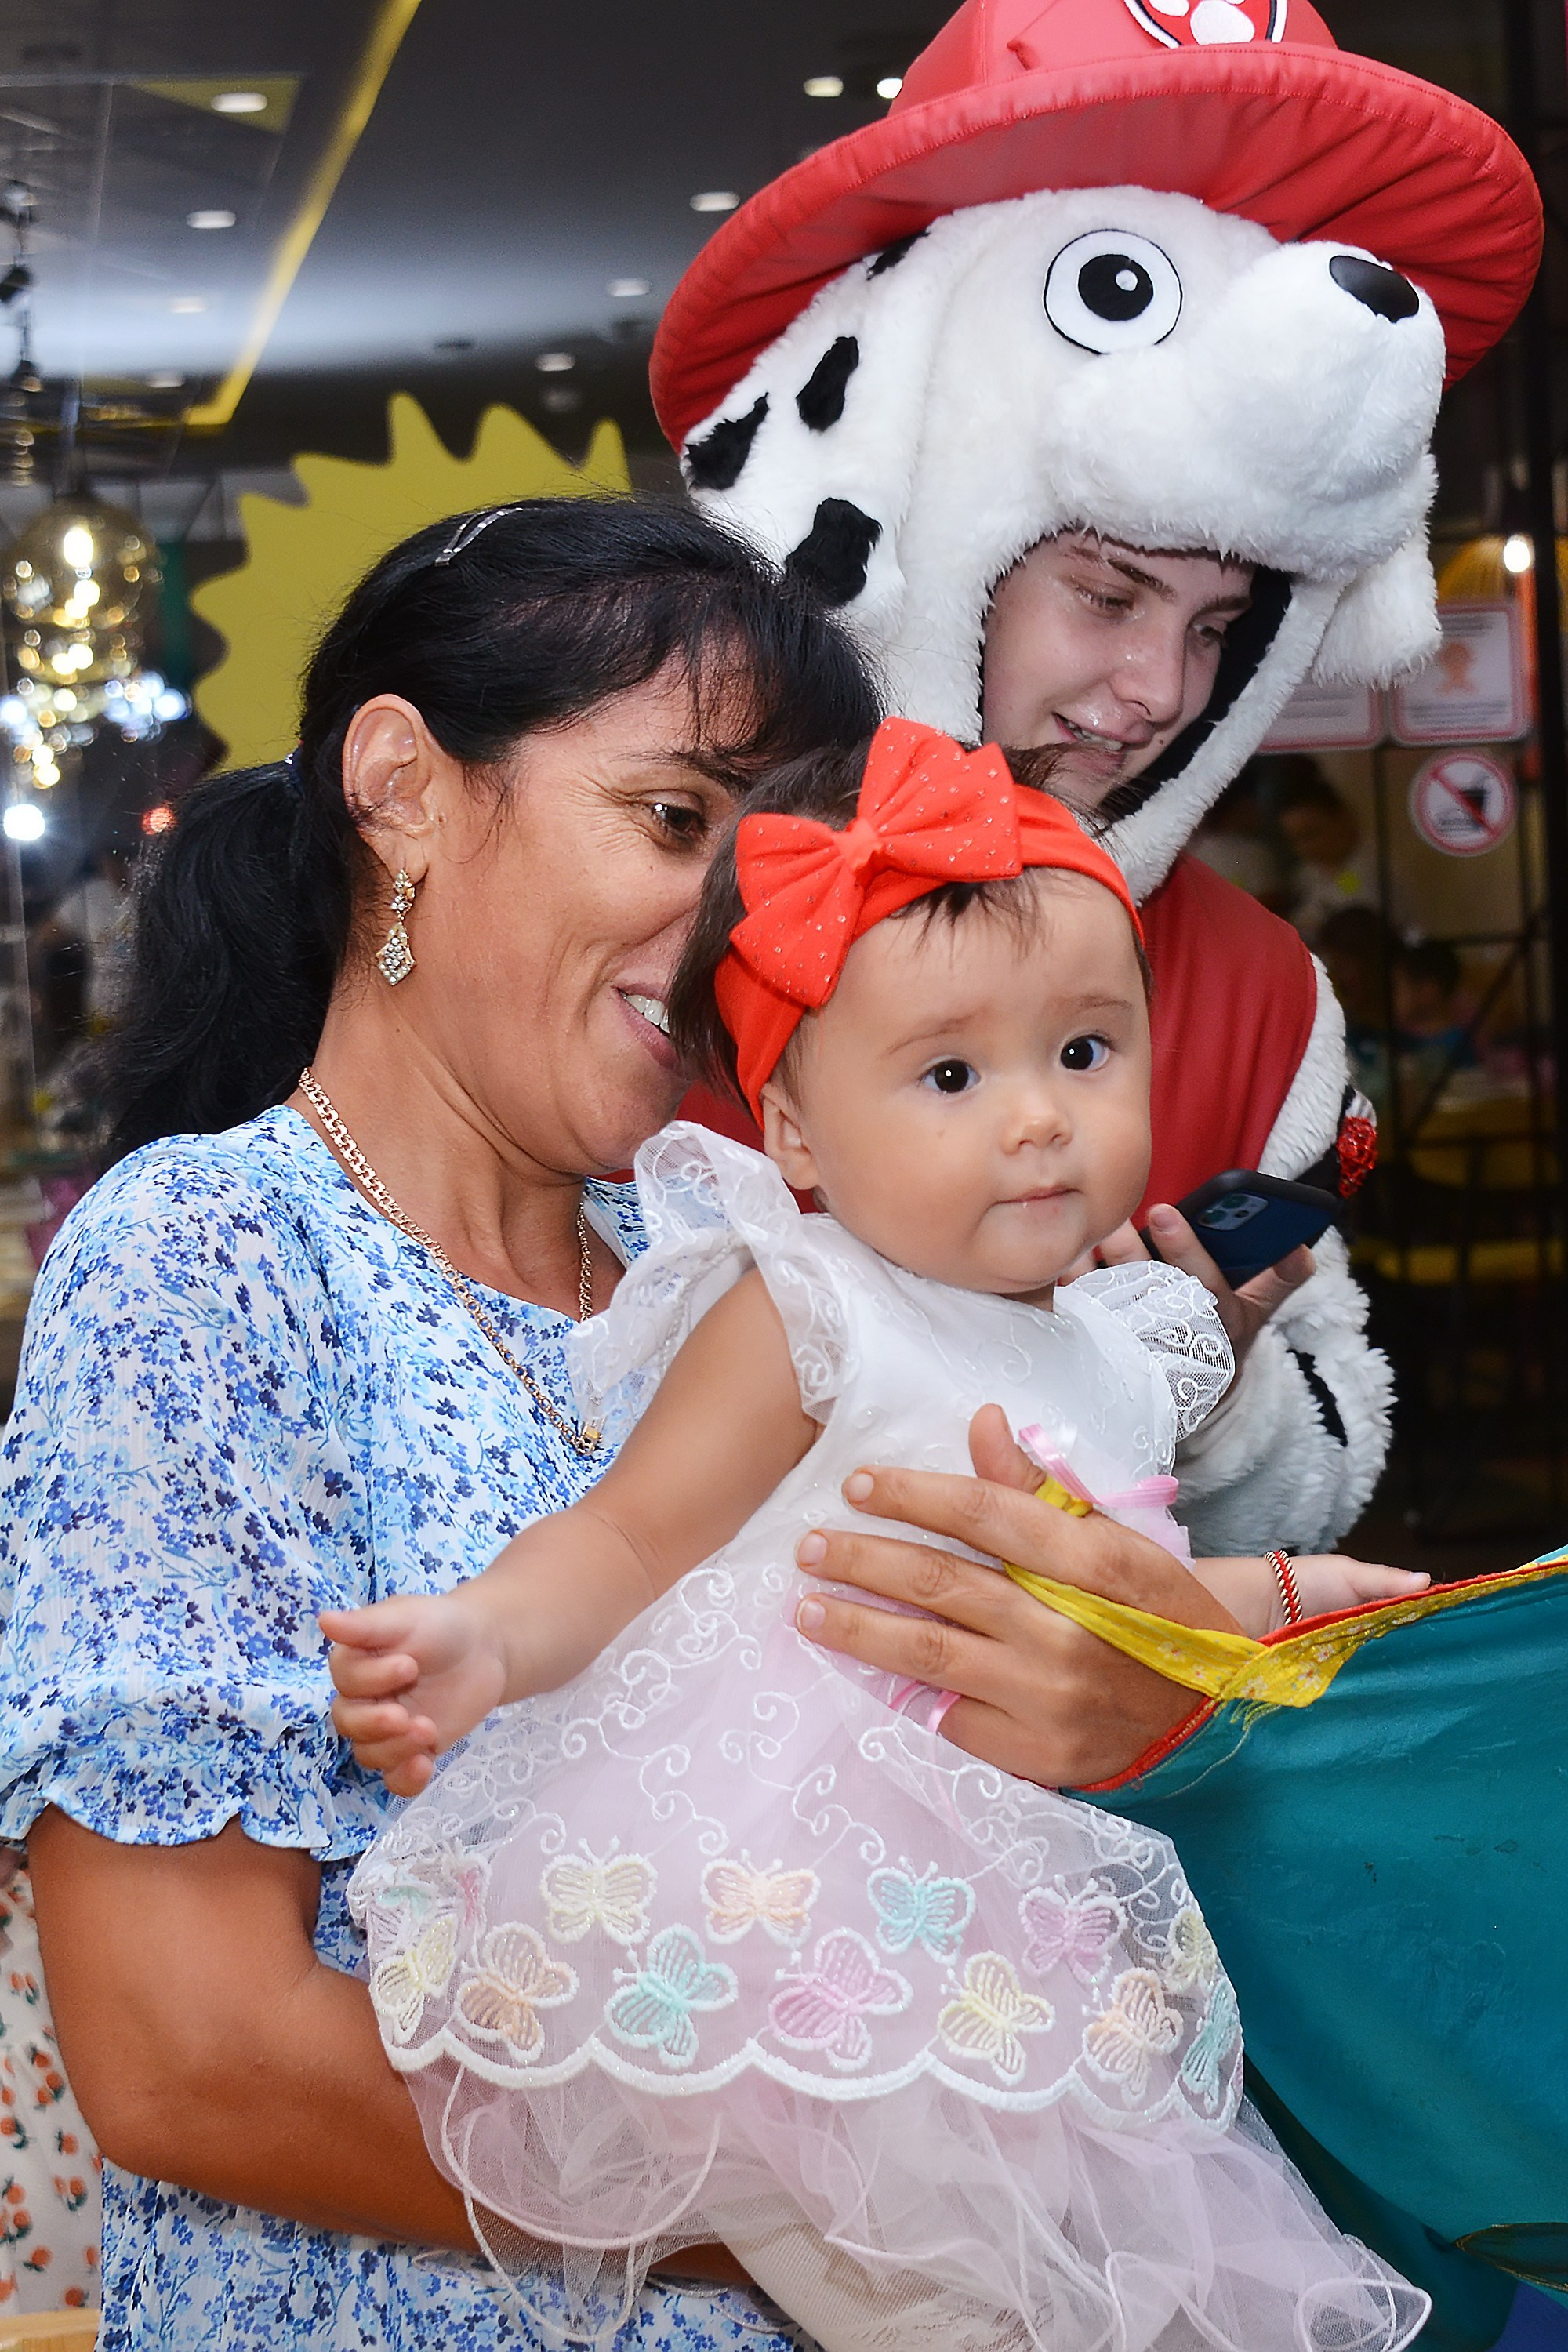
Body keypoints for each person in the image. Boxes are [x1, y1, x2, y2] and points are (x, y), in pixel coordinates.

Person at [332, 720, 1425, 2352]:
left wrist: (1281, 1589)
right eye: (949, 1076)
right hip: (793, 1894)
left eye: (1083, 1052)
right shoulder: (808, 1311)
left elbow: (1085, 1586)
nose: (1040, 1121)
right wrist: (484, 1634)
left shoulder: (1117, 1344)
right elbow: (627, 1544)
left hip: (1012, 1920)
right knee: (939, 2305)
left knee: (1118, 2289)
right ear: (792, 1134)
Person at [0, 499, 903, 2352]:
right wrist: (796, 2212)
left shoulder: (736, 1258)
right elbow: (190, 2051)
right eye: (674, 818)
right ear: (404, 785)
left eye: (784, 850)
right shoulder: (210, 1261)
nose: (740, 911)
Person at [652, 0, 1540, 1559]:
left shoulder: (1264, 999)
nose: (1160, 694)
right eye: (1109, 595)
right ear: (936, 513)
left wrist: (1205, 1381)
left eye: (1219, 629)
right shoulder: (649, 914)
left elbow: (1322, 1482)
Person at [1276, 768, 1378, 946]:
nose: (1304, 848)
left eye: (1311, 834)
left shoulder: (1371, 872)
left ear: (1342, 819)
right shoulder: (1306, 874)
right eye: (1295, 840)